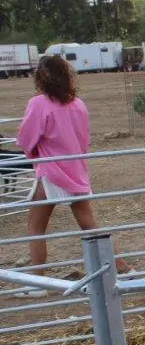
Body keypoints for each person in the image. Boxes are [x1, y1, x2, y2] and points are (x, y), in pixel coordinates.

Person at [14, 55, 132, 296]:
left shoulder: (39, 103)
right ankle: (124, 268)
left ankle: (38, 283)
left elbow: (26, 138)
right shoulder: (77, 104)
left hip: (51, 171)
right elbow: (84, 139)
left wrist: (31, 151)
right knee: (89, 223)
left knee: (36, 226)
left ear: (41, 77)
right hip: (75, 170)